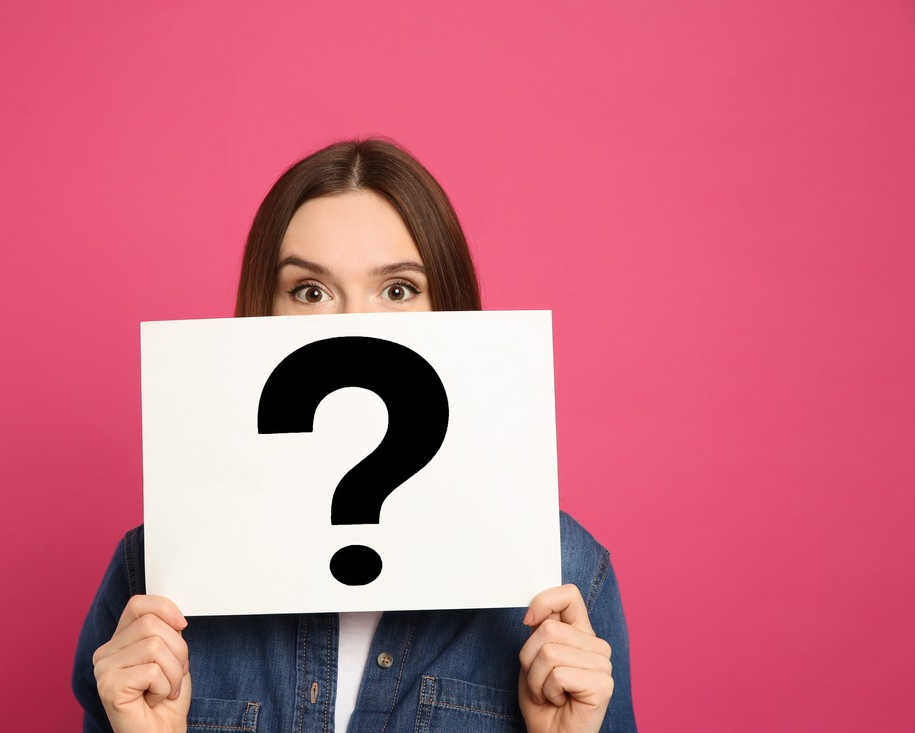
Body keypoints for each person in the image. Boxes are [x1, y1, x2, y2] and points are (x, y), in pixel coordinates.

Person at [73, 139, 637, 733]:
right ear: (261, 309)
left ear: (452, 308)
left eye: (398, 290)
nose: (353, 328)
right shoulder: (160, 576)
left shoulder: (559, 575)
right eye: (310, 292)